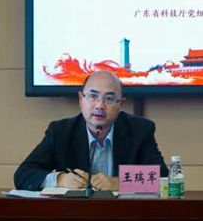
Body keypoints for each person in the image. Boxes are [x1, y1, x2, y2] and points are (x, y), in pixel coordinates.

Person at [14, 70, 168, 191]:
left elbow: (162, 177)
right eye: (93, 96)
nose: (99, 105)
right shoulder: (61, 132)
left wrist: (120, 182)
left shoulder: (139, 130)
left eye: (109, 98)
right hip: (75, 216)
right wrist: (60, 179)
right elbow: (23, 174)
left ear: (120, 104)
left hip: (124, 216)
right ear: (81, 99)